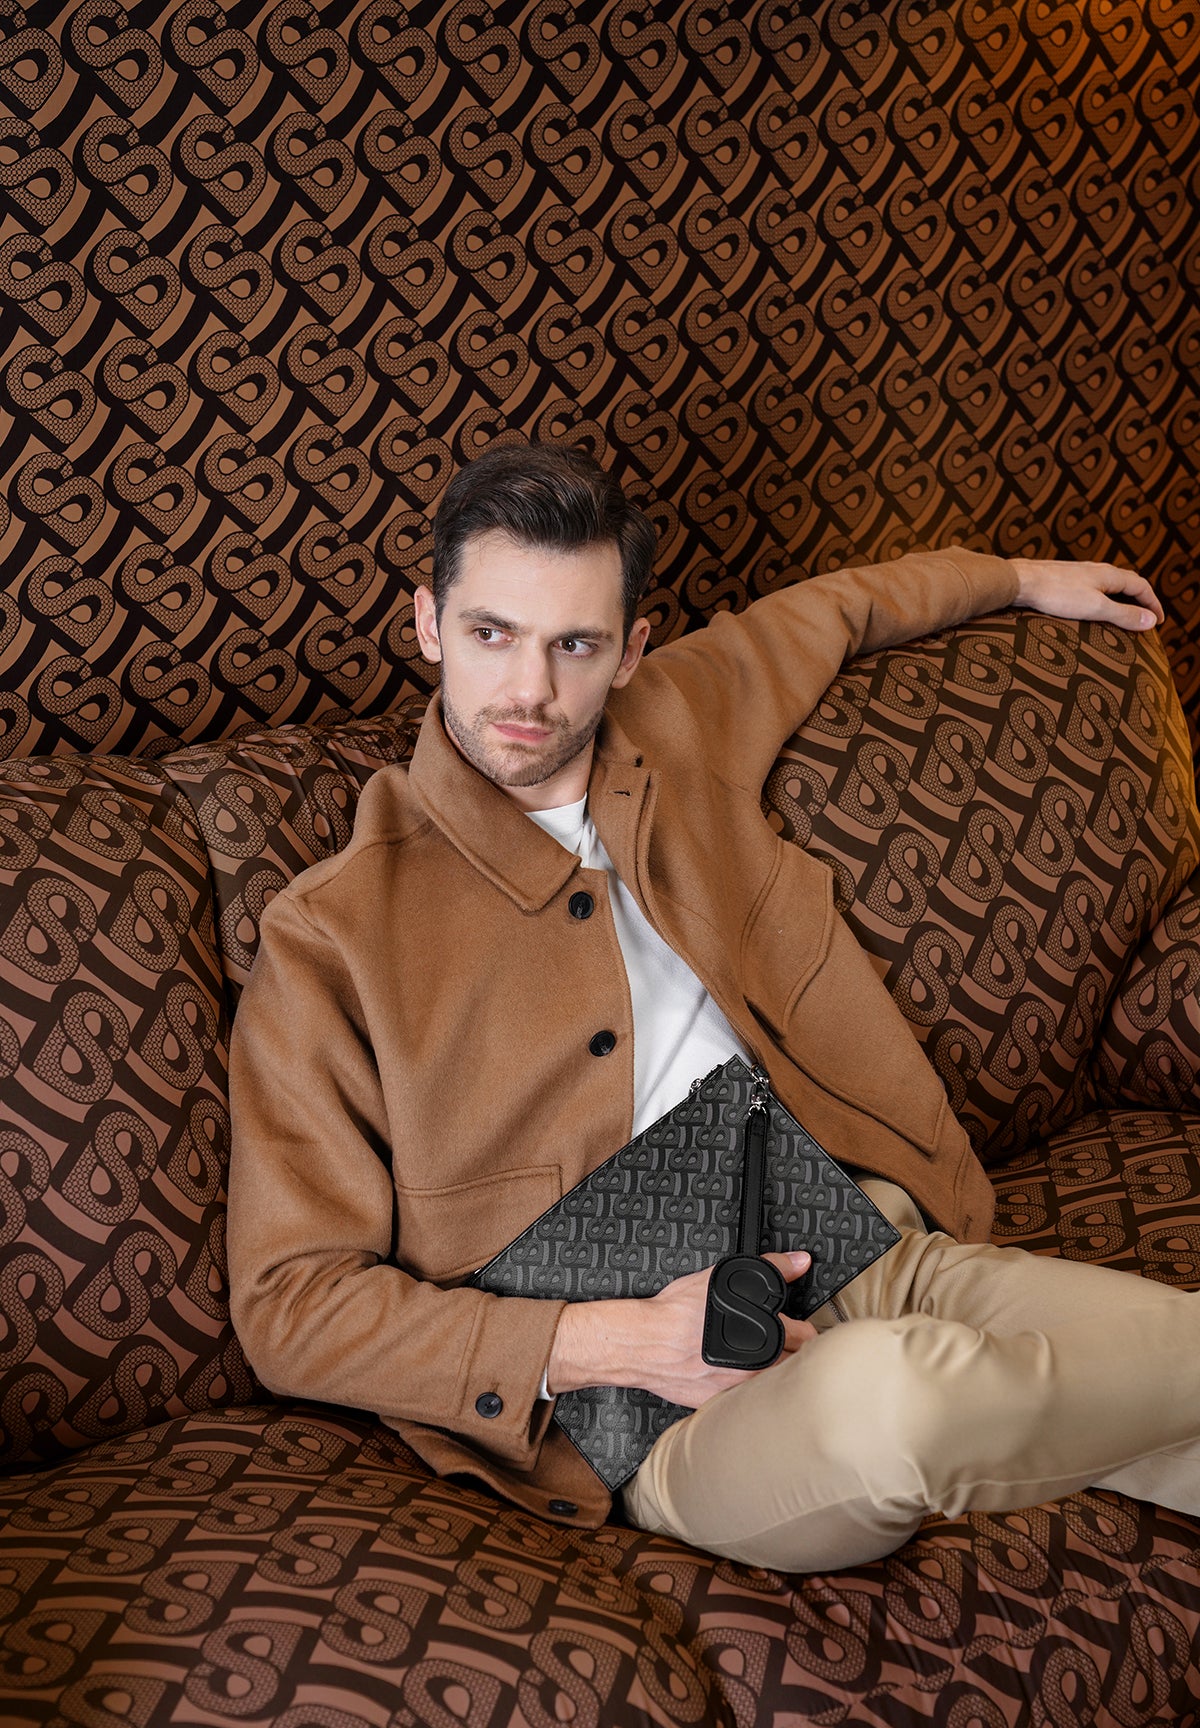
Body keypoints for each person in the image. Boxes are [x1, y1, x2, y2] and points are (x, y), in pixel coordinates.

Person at [226, 443, 1200, 1574]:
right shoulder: (331, 934)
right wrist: (608, 1343)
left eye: (575, 645)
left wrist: (1022, 578)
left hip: (864, 1241)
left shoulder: (680, 719)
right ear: (428, 624)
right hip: (650, 1413)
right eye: (491, 634)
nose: (529, 691)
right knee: (898, 1402)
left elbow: (836, 610)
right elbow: (290, 1305)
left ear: (630, 650)